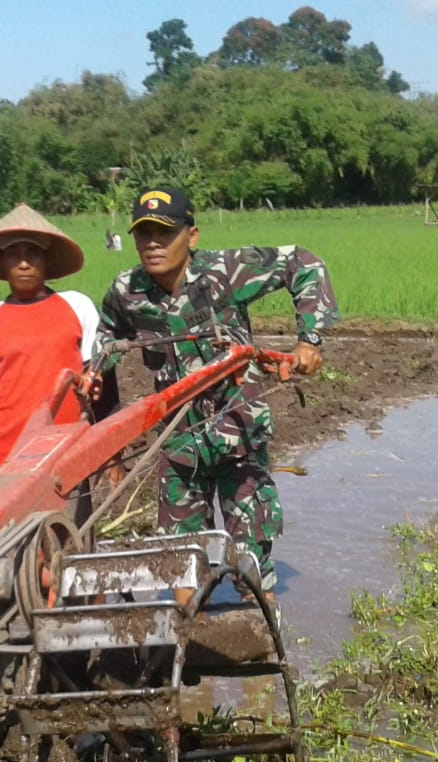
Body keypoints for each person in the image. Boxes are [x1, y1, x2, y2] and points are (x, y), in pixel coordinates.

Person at [94, 186, 336, 608]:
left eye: (165, 232)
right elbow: (104, 348)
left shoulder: (226, 271)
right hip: (178, 443)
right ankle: (190, 653)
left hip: (237, 434)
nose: (153, 243)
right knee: (181, 564)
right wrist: (106, 424)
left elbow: (304, 262)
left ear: (192, 235)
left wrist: (308, 340)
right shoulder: (126, 291)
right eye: (143, 233)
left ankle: (261, 652)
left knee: (251, 564)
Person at [0, 204, 113, 499]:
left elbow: (102, 385)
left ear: (46, 260)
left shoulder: (77, 306)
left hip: (67, 455)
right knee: (4, 543)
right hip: (1, 458)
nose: (24, 263)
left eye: (33, 254)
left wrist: (110, 451)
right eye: (14, 254)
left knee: (68, 539)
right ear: (1, 262)